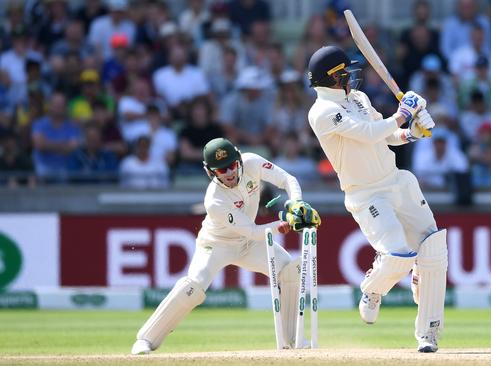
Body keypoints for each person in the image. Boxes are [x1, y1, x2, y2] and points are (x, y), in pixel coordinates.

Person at [306, 46, 447, 353]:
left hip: (398, 181)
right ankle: (372, 289)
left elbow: (386, 136)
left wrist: (411, 132)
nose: (350, 77)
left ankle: (429, 334)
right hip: (366, 192)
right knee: (398, 255)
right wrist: (403, 114)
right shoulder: (322, 112)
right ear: (331, 77)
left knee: (433, 248)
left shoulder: (358, 98)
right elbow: (369, 133)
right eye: (344, 72)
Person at [131, 137, 321, 354]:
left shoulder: (251, 163)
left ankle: (294, 340)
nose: (229, 173)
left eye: (231, 165)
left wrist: (296, 203)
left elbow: (288, 179)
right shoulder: (214, 200)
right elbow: (252, 230)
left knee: (289, 271)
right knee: (193, 286)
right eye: (221, 170)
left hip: (248, 244)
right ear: (210, 173)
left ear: (239, 159)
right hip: (216, 245)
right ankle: (146, 339)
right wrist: (284, 224)